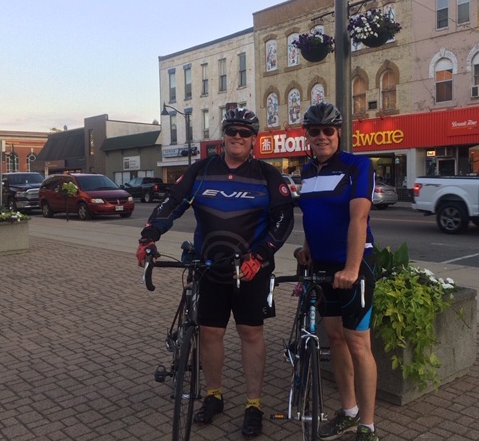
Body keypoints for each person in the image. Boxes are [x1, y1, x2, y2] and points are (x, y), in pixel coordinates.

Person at [137, 108, 294, 438]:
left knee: (251, 334)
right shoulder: (202, 170)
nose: (238, 136)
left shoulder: (267, 175)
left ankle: (254, 404)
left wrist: (262, 254)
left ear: (254, 140)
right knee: (211, 334)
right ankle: (214, 396)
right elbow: (173, 203)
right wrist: (150, 234)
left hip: (251, 270)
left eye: (245, 132)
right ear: (223, 135)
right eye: (232, 130)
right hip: (209, 268)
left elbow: (283, 221)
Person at [295, 102, 379, 441]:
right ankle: (348, 411)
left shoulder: (358, 165)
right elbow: (314, 218)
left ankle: (368, 425)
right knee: (334, 338)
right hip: (323, 267)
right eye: (314, 131)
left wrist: (352, 267)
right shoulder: (307, 172)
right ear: (308, 135)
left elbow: (359, 217)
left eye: (327, 130)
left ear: (339, 132)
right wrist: (307, 249)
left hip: (354, 265)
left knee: (359, 344)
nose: (321, 137)